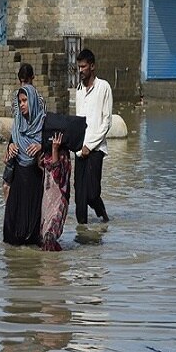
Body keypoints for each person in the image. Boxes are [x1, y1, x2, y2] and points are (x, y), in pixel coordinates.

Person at [2, 84, 45, 245]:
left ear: (32, 101)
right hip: (19, 178)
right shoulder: (18, 124)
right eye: (20, 101)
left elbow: (55, 148)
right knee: (12, 227)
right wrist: (10, 147)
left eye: (25, 100)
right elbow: (10, 148)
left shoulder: (43, 124)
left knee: (33, 226)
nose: (22, 105)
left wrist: (41, 146)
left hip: (36, 179)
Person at [74, 48, 112, 224]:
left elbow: (106, 122)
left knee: (92, 194)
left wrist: (90, 145)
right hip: (80, 150)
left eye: (83, 66)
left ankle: (103, 215)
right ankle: (82, 238)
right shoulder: (79, 91)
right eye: (79, 67)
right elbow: (78, 122)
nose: (81, 70)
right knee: (79, 200)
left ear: (92, 66)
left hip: (95, 150)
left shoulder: (103, 87)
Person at [3, 63, 45, 201]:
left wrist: (40, 146)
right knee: (7, 183)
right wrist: (10, 146)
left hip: (33, 145)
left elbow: (41, 124)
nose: (23, 85)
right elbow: (17, 123)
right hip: (17, 141)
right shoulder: (17, 97)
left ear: (33, 78)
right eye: (21, 82)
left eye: (26, 81)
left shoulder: (39, 100)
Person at [39, 132, 71, 251]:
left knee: (50, 235)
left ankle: (52, 266)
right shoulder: (45, 154)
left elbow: (58, 175)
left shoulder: (63, 155)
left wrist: (55, 150)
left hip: (59, 200)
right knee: (44, 236)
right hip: (47, 201)